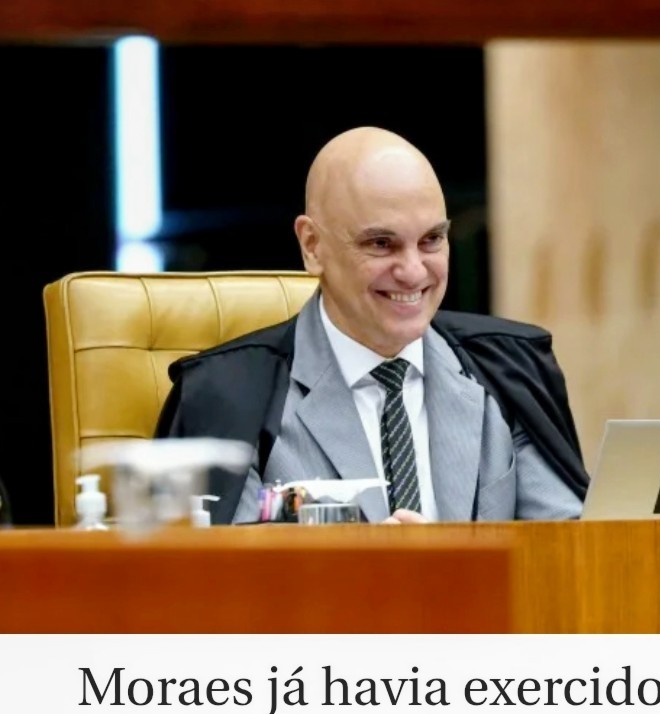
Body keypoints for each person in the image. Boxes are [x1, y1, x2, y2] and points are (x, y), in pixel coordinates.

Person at [156, 127, 588, 524]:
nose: (413, 272)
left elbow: (572, 554)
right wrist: (370, 568)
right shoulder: (226, 396)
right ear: (312, 246)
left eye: (432, 240)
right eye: (381, 244)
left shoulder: (509, 372)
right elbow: (212, 574)